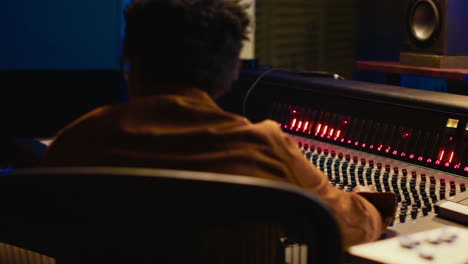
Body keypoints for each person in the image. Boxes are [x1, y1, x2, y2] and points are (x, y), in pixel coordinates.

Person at [43, 0, 396, 248]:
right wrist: (369, 202)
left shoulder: (79, 139)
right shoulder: (261, 146)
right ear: (231, 72)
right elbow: (350, 226)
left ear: (128, 62)